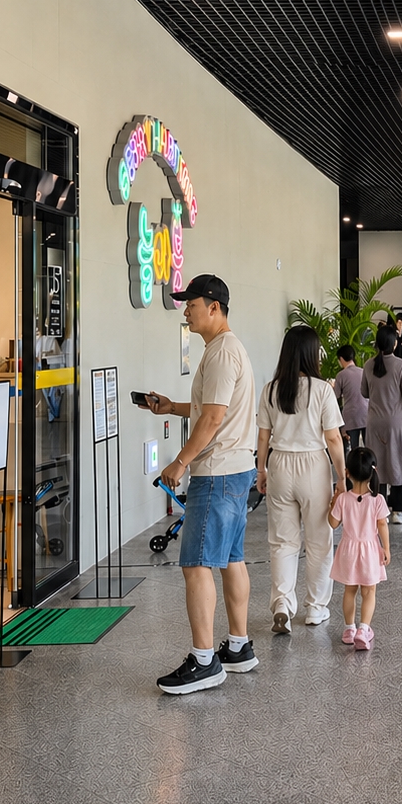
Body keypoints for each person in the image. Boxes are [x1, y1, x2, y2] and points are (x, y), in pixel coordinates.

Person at [149, 275, 259, 695]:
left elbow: (213, 420)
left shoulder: (221, 353)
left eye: (191, 304)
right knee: (231, 558)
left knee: (196, 563)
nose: (186, 311)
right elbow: (210, 410)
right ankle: (238, 646)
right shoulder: (227, 349)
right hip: (237, 469)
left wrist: (180, 461)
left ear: (214, 306)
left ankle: (203, 660)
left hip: (216, 473)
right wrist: (172, 407)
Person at [256, 325, 346, 634]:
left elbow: (263, 436)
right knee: (319, 540)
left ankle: (282, 603)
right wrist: (342, 477)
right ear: (311, 353)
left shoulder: (270, 389)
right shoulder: (322, 390)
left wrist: (261, 469)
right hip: (313, 465)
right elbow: (333, 438)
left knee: (283, 541)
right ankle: (315, 608)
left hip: (280, 464)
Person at [328, 447, 391, 650]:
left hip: (348, 550)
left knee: (350, 590)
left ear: (347, 472)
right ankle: (363, 630)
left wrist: (333, 501)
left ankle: (349, 629)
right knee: (369, 591)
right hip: (370, 552)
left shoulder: (343, 499)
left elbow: (333, 523)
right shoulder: (377, 500)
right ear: (374, 471)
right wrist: (386, 548)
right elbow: (382, 525)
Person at [362, 325, 402, 525]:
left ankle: (379, 510)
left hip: (374, 422)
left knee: (376, 464)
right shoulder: (401, 365)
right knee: (398, 462)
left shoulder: (368, 365)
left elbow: (364, 392)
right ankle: (399, 510)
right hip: (395, 422)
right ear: (395, 344)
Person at [331, 345, 367, 452]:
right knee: (369, 447)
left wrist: (331, 387)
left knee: (354, 449)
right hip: (367, 414)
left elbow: (336, 396)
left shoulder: (341, 375)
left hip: (351, 417)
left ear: (341, 359)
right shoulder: (363, 372)